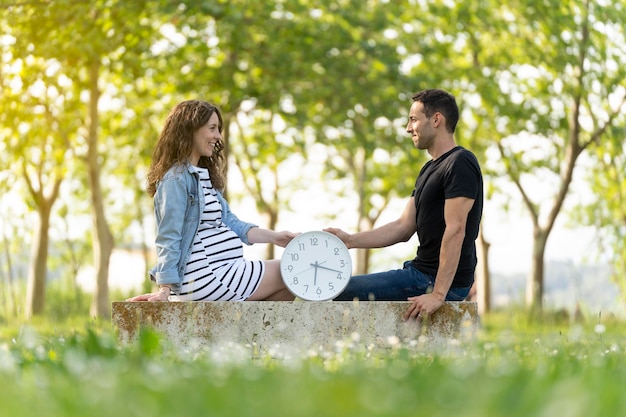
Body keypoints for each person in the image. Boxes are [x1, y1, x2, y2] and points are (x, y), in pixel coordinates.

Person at [325, 88, 483, 321]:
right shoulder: (429, 169)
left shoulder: (460, 162)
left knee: (338, 290)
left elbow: (456, 229)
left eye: (413, 120)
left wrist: (438, 294)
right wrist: (349, 240)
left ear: (436, 119)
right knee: (336, 286)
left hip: (435, 282)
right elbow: (403, 227)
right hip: (418, 273)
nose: (409, 128)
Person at [127, 100, 296, 302]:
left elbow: (233, 224)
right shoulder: (175, 179)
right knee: (293, 269)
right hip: (207, 276)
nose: (217, 136)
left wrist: (275, 238)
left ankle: (248, 334)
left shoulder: (203, 177)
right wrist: (165, 289)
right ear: (191, 130)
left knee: (288, 288)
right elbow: (169, 235)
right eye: (212, 128)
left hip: (223, 271)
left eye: (218, 129)